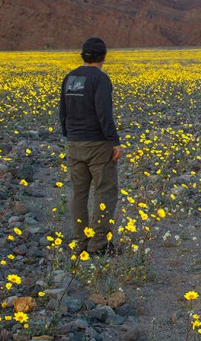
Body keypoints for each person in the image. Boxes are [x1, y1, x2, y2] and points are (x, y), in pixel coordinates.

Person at [59, 37, 122, 256]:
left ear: (83, 55)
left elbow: (63, 112)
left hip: (74, 143)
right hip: (97, 143)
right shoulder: (100, 79)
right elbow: (104, 113)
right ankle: (98, 244)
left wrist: (70, 136)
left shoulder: (70, 78)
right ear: (103, 56)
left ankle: (79, 241)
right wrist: (114, 141)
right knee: (105, 191)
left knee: (79, 193)